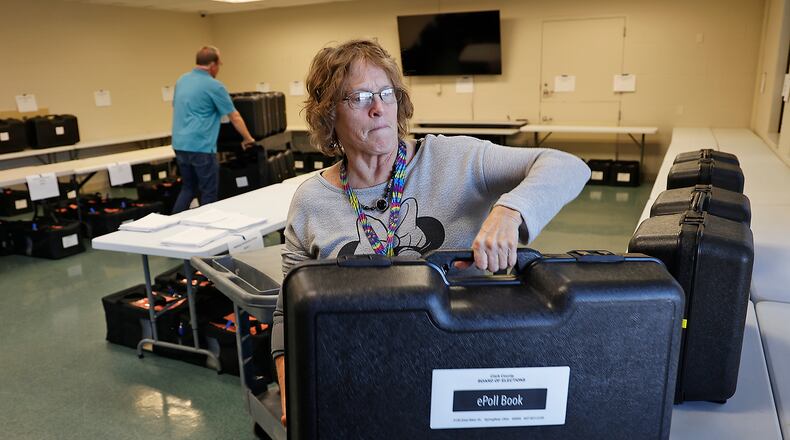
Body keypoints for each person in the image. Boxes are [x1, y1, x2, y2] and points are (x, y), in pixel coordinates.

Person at [271, 39, 590, 425]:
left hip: (462, 365)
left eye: (386, 93)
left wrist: (509, 212)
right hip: (365, 369)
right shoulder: (310, 202)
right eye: (359, 98)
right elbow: (287, 310)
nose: (378, 108)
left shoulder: (455, 160)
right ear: (327, 114)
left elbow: (567, 165)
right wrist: (294, 396)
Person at [170, 45, 256, 213]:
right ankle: (206, 231)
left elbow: (176, 107)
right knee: (208, 192)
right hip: (201, 147)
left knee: (188, 189)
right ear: (213, 65)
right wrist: (248, 139)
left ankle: (171, 225)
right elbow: (234, 117)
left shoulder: (181, 80)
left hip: (179, 144)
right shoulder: (214, 85)